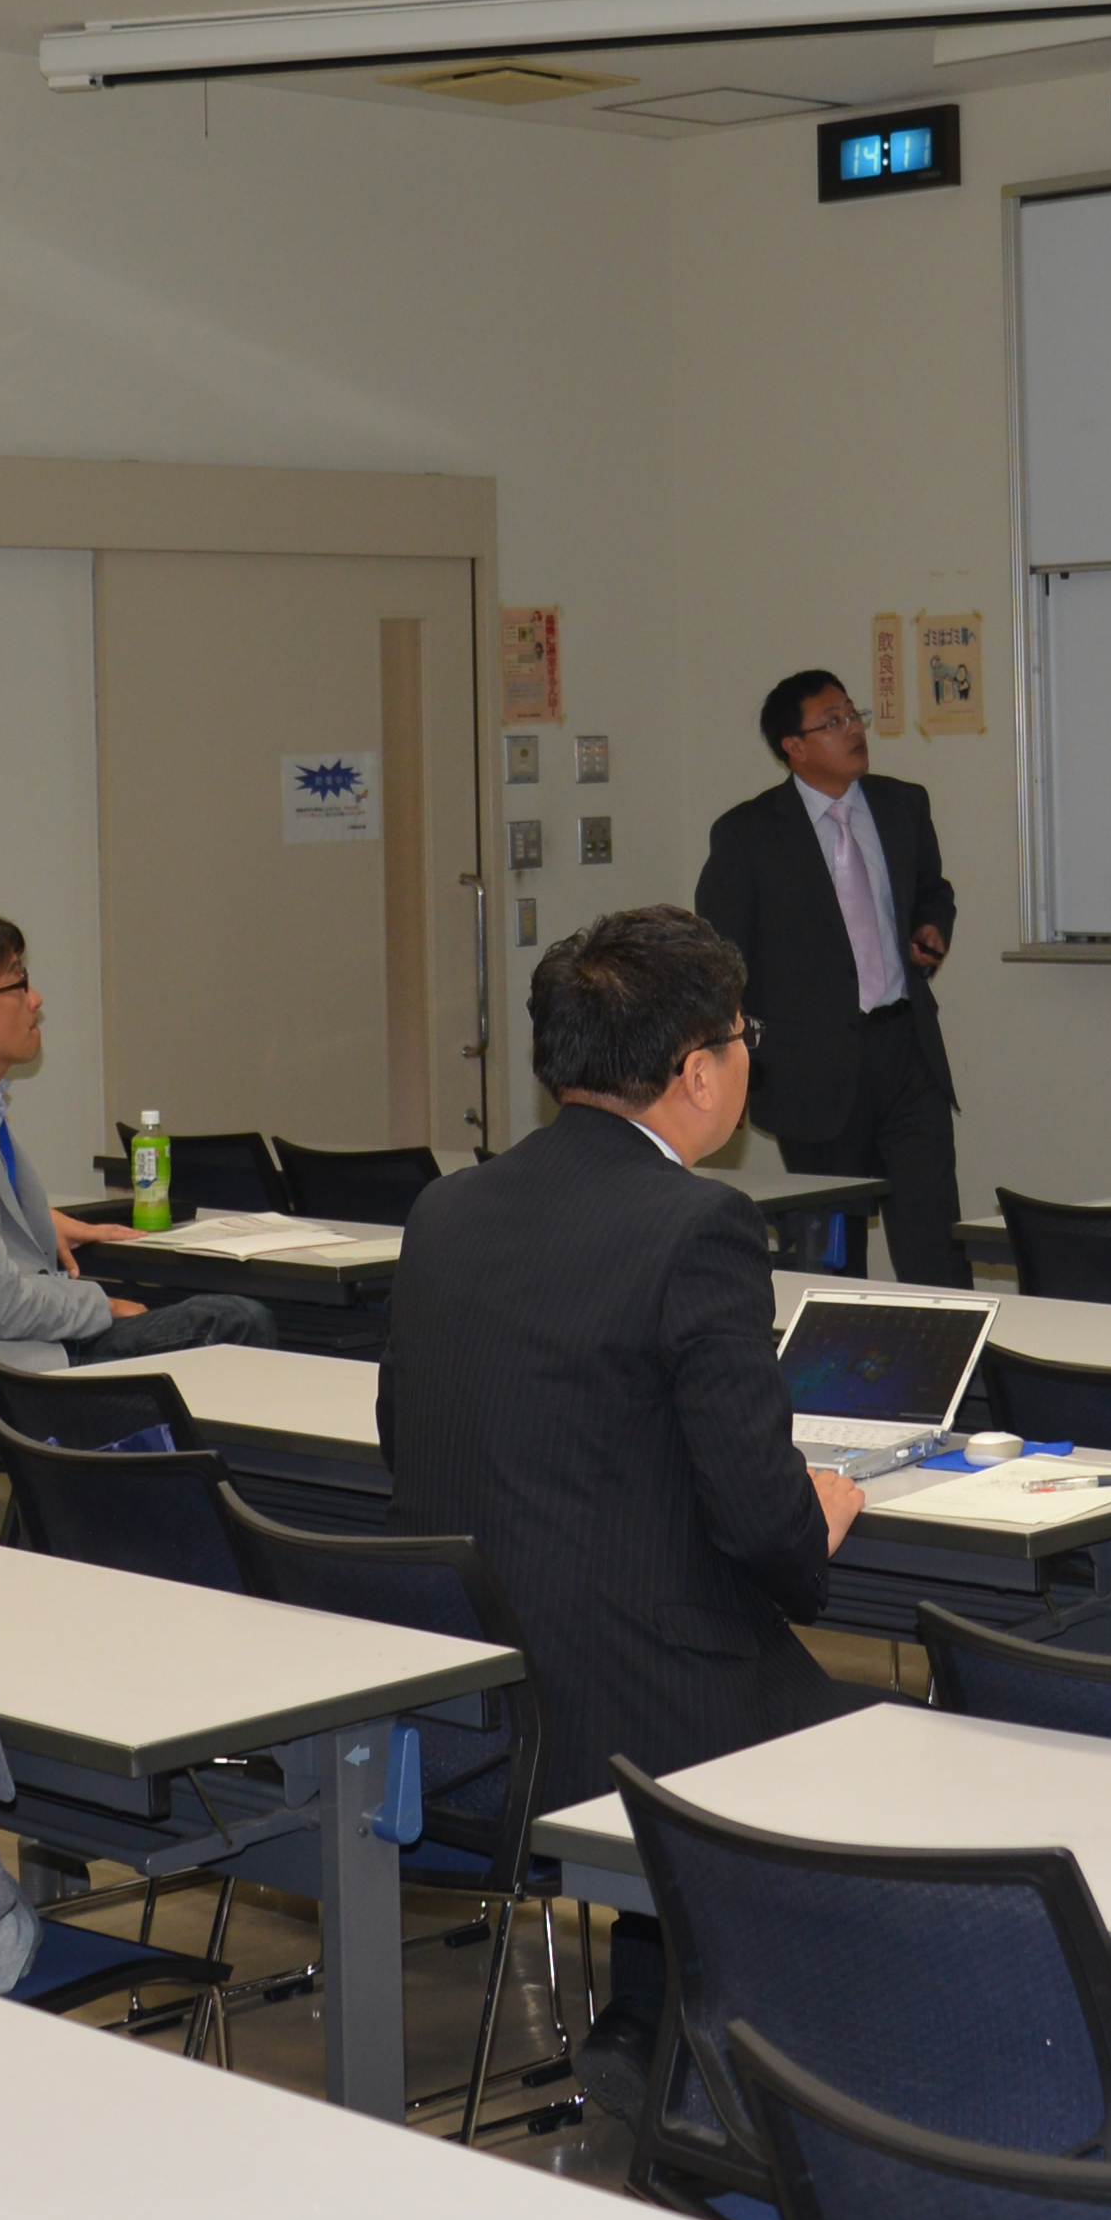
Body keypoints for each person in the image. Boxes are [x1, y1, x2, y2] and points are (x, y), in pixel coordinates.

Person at [379, 903, 868, 2115]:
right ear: (699, 1070)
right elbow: (757, 1516)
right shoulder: (698, 1224)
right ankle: (738, 2046)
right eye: (744, 1036)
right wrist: (814, 1526)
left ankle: (654, 2016)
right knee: (892, 1736)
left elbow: (410, 1433)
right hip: (630, 1700)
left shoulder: (450, 1205)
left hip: (471, 1692)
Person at [0, 908, 274, 1370]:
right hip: (12, 1369)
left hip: (25, 1343)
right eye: (16, 985)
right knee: (237, 1322)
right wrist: (102, 1305)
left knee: (212, 1312)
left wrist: (38, 1223)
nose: (35, 1000)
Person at [694, 669, 969, 1286]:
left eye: (853, 715)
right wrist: (725, 1062)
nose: (853, 730)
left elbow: (933, 889)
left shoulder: (902, 805)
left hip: (907, 1051)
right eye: (833, 721)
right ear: (793, 746)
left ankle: (954, 1345)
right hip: (811, 1069)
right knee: (833, 1256)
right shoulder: (747, 834)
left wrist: (931, 926)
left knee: (934, 1240)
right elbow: (721, 958)